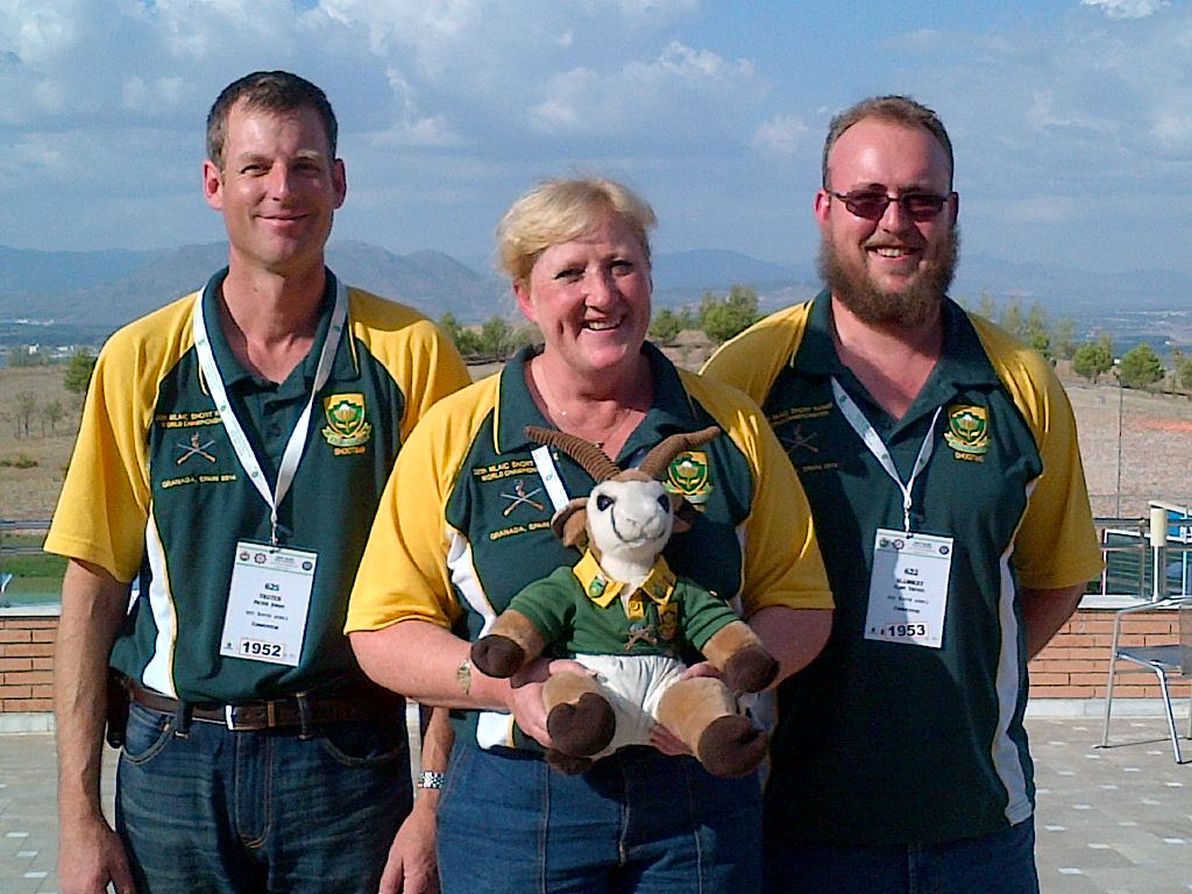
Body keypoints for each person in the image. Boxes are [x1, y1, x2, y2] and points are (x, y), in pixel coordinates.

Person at [345, 176, 834, 893]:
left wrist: (724, 680)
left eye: (621, 266)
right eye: (570, 273)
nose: (601, 295)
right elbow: (383, 630)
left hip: (695, 794)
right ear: (526, 296)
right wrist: (505, 688)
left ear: (650, 278)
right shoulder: (458, 433)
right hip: (519, 799)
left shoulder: (726, 426)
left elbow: (802, 603)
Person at [47, 70, 471, 894]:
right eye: (256, 167)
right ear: (214, 184)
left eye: (305, 166)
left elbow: (455, 593)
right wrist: (76, 816)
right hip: (172, 763)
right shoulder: (140, 359)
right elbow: (93, 584)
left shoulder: (412, 354)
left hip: (349, 760)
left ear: (339, 182)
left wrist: (432, 802)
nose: (283, 189)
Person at [702, 95, 1104, 893]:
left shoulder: (1020, 381)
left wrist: (966, 672)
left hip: (980, 831)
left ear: (952, 212)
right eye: (867, 199)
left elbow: (1057, 576)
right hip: (790, 829)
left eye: (921, 200)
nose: (895, 222)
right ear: (825, 209)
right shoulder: (746, 379)